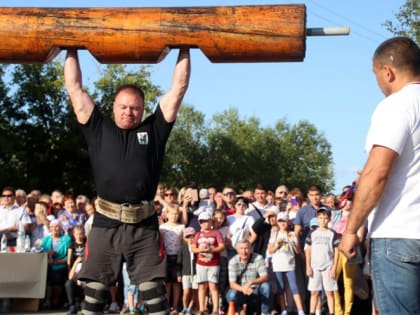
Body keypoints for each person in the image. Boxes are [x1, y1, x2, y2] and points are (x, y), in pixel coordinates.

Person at [64, 46, 190, 315]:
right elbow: (75, 89)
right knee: (94, 296)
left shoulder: (154, 130)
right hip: (105, 223)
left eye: (135, 108)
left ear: (143, 109)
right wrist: (70, 46)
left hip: (143, 226)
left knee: (155, 299)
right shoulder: (98, 128)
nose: (129, 112)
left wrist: (185, 46)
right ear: (114, 106)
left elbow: (178, 89)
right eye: (123, 107)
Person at [339, 37, 420, 315]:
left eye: (375, 75)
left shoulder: (398, 105)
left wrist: (351, 231)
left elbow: (378, 171)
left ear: (388, 71)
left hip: (400, 233)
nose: (377, 83)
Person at [267, 212, 305, 315]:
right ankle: (284, 310)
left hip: (290, 264)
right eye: (280, 221)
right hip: (278, 265)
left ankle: (300, 310)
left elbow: (297, 251)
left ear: (288, 222)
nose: (282, 223)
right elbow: (270, 251)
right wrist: (277, 245)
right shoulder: (274, 233)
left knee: (294, 287)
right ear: (277, 222)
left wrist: (292, 242)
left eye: (284, 221)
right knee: (280, 288)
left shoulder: (292, 234)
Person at [305, 207, 339, 315]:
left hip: (328, 266)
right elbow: (308, 250)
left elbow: (336, 251)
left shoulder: (332, 234)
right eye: (320, 218)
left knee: (329, 292)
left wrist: (334, 268)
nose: (323, 220)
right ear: (317, 219)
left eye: (325, 218)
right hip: (315, 267)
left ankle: (332, 312)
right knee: (314, 292)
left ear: (329, 219)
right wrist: (308, 266)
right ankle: (312, 312)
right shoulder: (312, 233)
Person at [191, 211, 225, 315]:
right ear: (199, 223)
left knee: (213, 286)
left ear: (211, 221)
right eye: (202, 222)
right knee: (202, 286)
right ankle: (202, 308)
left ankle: (215, 309)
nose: (205, 223)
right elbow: (193, 248)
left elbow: (222, 246)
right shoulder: (198, 234)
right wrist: (200, 250)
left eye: (207, 221)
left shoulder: (216, 233)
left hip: (214, 263)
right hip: (201, 263)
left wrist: (211, 250)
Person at [226, 239, 272, 315]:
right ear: (237, 250)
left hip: (255, 290)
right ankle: (238, 309)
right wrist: (243, 289)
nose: (244, 251)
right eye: (241, 248)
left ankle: (265, 312)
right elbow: (232, 284)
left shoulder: (258, 258)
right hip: (240, 290)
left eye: (246, 248)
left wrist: (251, 282)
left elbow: (265, 277)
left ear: (251, 249)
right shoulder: (233, 261)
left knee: (266, 286)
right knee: (231, 295)